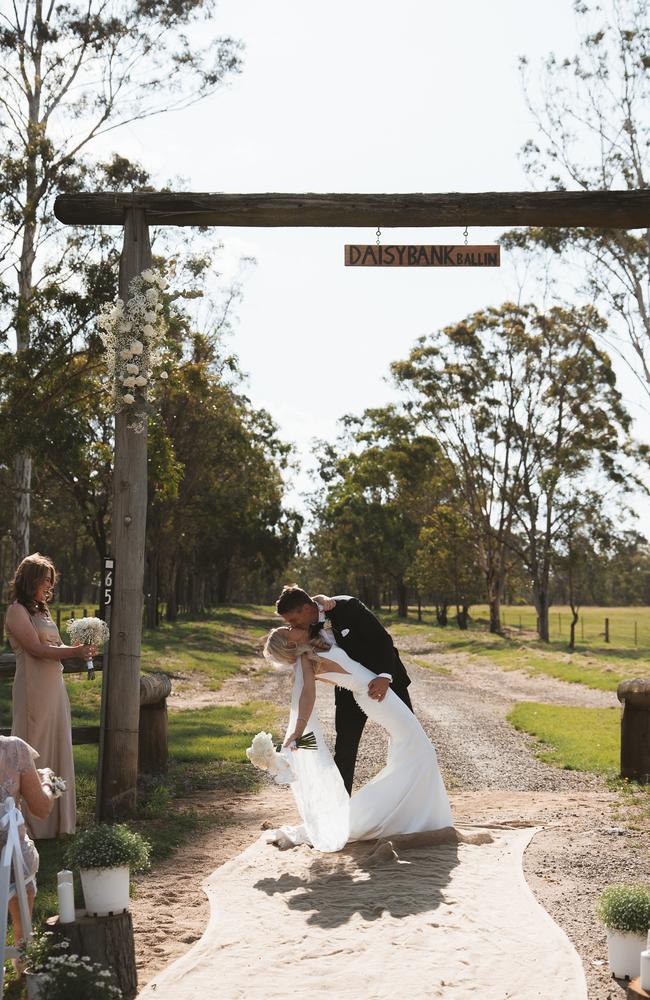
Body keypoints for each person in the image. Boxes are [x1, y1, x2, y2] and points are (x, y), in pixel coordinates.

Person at [262, 623, 453, 853]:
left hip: (375, 693)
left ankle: (410, 817)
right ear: (290, 643)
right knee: (422, 752)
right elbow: (307, 695)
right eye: (286, 630)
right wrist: (298, 730)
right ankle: (392, 817)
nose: (289, 625)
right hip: (374, 697)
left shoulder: (314, 645)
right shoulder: (305, 662)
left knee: (412, 755)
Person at [275, 586, 412, 794]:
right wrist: (298, 732)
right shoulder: (305, 634)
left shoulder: (348, 607)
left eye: (293, 620)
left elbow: (382, 640)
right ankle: (341, 809)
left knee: (409, 737)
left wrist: (385, 676)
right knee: (345, 749)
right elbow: (307, 690)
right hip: (350, 692)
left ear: (305, 608)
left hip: (386, 681)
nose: (291, 625)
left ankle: (409, 796)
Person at [5, 553, 94, 838]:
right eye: (45, 580)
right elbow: (36, 649)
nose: (49, 586)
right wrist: (73, 652)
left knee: (58, 746)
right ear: (30, 580)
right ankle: (33, 823)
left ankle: (58, 820)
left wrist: (76, 646)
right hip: (34, 690)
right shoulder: (17, 611)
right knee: (36, 747)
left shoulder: (41, 611)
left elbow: (53, 645)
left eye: (51, 582)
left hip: (54, 687)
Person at [0, 734, 57, 952]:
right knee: (18, 855)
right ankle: (22, 953)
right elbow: (42, 809)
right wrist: (50, 782)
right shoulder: (13, 748)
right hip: (8, 864)